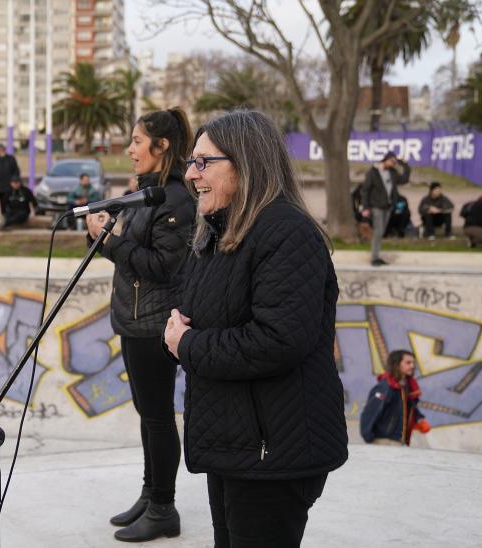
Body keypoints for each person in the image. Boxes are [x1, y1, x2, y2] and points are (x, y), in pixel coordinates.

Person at [162, 110, 348, 548]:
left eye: (204, 162)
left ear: (246, 164)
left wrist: (187, 343)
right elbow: (200, 314)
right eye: (191, 162)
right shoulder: (219, 233)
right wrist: (178, 332)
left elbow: (278, 340)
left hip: (273, 452)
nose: (191, 174)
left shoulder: (286, 233)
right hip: (232, 442)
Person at [85, 108, 195, 543]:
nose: (129, 150)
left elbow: (163, 266)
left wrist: (110, 244)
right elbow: (132, 250)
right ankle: (151, 495)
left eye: (136, 141)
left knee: (158, 418)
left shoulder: (175, 198)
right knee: (148, 415)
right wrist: (101, 234)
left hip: (154, 324)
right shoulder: (146, 193)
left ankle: (164, 507)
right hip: (133, 320)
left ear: (161, 145)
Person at [360, 350, 431, 446]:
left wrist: (419, 419)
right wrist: (368, 436)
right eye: (408, 363)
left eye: (413, 363)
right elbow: (370, 411)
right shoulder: (385, 387)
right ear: (396, 364)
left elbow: (408, 406)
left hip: (399, 441)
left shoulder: (408, 387)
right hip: (383, 440)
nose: (412, 366)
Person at [360, 151, 410, 266]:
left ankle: (376, 256)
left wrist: (404, 164)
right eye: (392, 161)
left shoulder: (392, 172)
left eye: (395, 162)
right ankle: (374, 258)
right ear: (386, 159)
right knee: (378, 231)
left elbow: (404, 179)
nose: (394, 163)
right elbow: (365, 190)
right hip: (376, 206)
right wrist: (365, 207)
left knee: (381, 232)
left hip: (388, 207)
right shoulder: (373, 172)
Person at [0, 144, 20, 215]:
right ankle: (3, 215)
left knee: (8, 200)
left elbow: (16, 171)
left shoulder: (11, 159)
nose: (1, 151)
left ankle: (9, 215)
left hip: (9, 185)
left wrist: (15, 181)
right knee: (1, 201)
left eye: (2, 150)